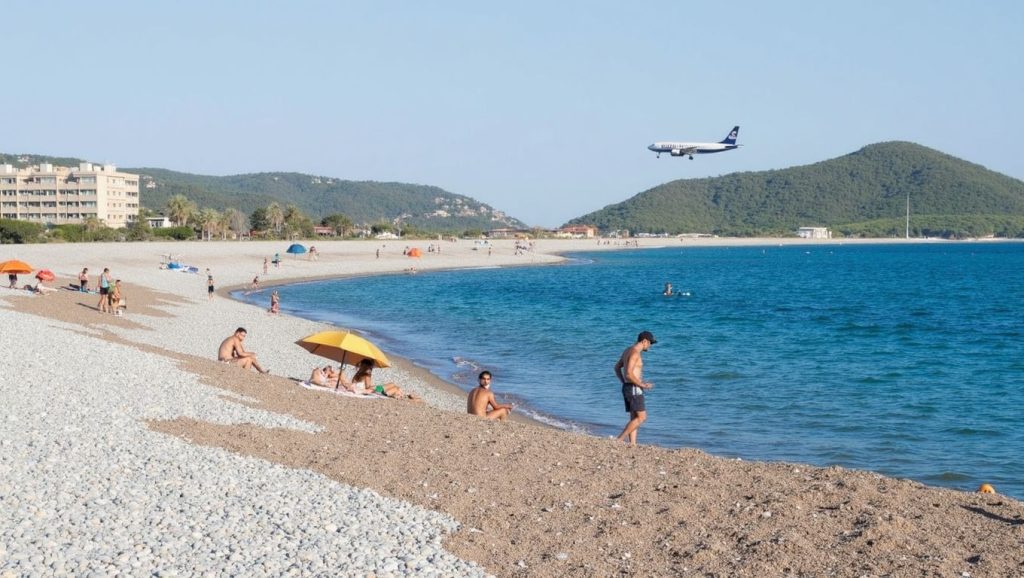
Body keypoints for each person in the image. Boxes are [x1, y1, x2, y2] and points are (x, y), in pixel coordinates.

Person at [614, 331, 657, 446]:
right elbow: (628, 373)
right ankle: (619, 440)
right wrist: (642, 384)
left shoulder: (627, 350)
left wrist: (624, 382)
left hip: (629, 387)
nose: (650, 346)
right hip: (633, 388)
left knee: (634, 417)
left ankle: (632, 444)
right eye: (650, 343)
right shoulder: (635, 353)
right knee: (642, 417)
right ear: (644, 341)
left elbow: (617, 368)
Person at [351, 359, 420, 400]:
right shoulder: (367, 376)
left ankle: (401, 394)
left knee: (394, 386)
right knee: (394, 386)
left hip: (366, 390)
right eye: (370, 368)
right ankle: (402, 395)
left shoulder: (357, 374)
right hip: (374, 391)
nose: (371, 369)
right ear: (367, 368)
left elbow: (353, 383)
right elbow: (369, 387)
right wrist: (378, 387)